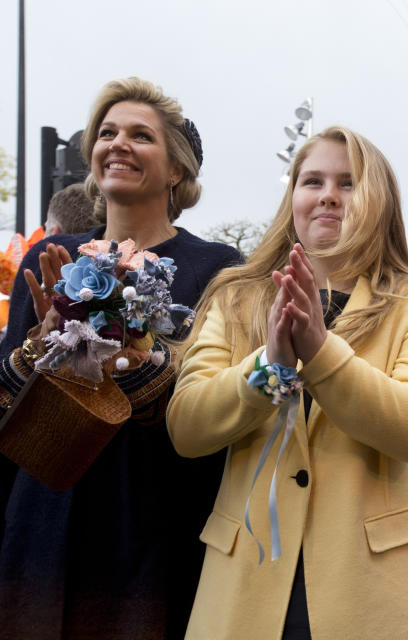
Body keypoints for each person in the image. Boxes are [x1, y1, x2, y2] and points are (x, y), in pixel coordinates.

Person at [166, 126, 408, 639]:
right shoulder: (236, 297)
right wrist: (269, 365)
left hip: (376, 592)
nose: (327, 195)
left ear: (379, 201)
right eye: (312, 181)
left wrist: (320, 354)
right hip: (249, 583)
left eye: (348, 183)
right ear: (292, 198)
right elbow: (187, 429)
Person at [0, 77, 242, 639]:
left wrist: (149, 360)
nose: (118, 144)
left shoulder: (220, 269)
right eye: (107, 133)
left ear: (177, 169)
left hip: (153, 510)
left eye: (141, 135)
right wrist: (40, 347)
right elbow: (7, 393)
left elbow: (214, 402)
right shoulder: (47, 257)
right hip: (48, 508)